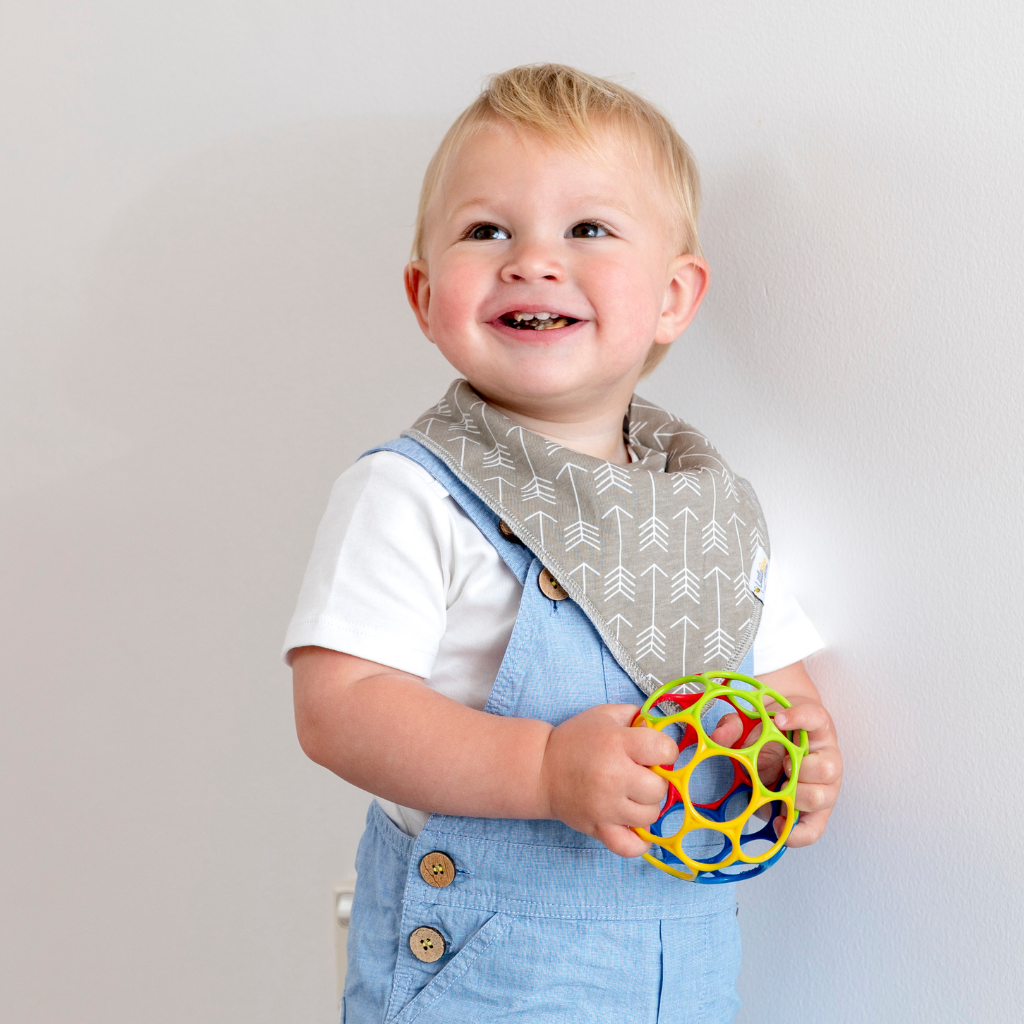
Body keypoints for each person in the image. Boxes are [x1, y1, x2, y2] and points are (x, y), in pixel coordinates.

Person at [284, 63, 843, 1022]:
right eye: (485, 230)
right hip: (481, 979)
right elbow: (340, 707)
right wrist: (541, 768)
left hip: (679, 978)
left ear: (674, 296)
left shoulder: (706, 509)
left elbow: (772, 676)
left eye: (588, 229)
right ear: (424, 295)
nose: (531, 260)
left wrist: (804, 748)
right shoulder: (414, 493)